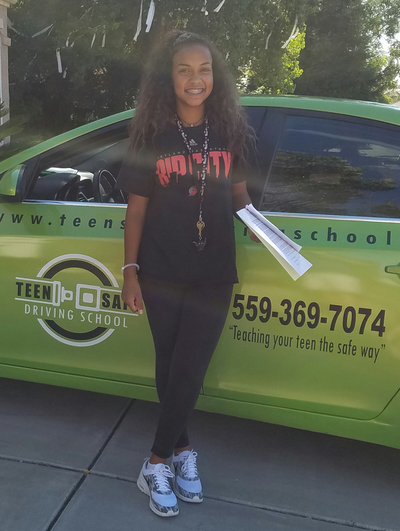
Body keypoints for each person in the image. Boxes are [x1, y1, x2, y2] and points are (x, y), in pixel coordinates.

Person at [117, 29, 257, 518]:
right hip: (160, 269)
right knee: (171, 363)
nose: (195, 79)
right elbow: (136, 210)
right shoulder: (151, 136)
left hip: (213, 270)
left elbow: (240, 196)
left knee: (191, 364)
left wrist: (261, 227)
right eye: (184, 70)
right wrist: (130, 271)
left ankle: (155, 461)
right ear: (168, 78)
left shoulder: (230, 132)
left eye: (204, 69)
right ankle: (179, 451)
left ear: (215, 77)